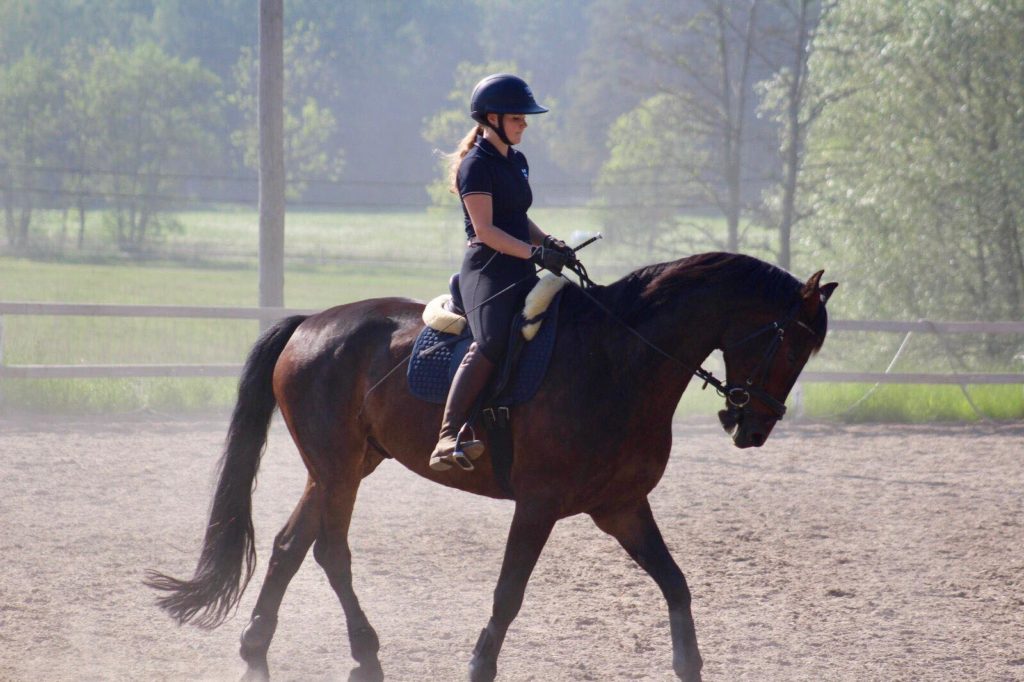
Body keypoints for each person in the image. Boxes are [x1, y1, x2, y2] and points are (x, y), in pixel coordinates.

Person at [429, 73, 575, 472]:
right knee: (492, 341)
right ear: (492, 118)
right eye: (517, 118)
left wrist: (551, 243)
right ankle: (446, 434)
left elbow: (517, 217)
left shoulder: (517, 161)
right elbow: (487, 231)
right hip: (487, 272)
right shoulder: (476, 166)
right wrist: (536, 252)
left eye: (525, 118)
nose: (525, 124)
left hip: (520, 264)